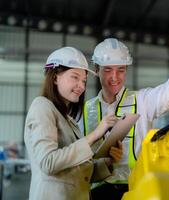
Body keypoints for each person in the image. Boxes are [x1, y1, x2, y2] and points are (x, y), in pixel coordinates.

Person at [79, 38, 169, 199]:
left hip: (137, 190)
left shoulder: (143, 100)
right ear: (96, 69)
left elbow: (166, 94)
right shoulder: (84, 111)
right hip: (98, 192)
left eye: (121, 70)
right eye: (108, 69)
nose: (115, 77)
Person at [24, 47, 123, 200]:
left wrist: (108, 161)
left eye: (83, 80)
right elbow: (48, 162)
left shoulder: (68, 119)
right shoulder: (42, 106)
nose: (82, 86)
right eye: (75, 77)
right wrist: (95, 135)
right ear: (55, 77)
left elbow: (77, 174)